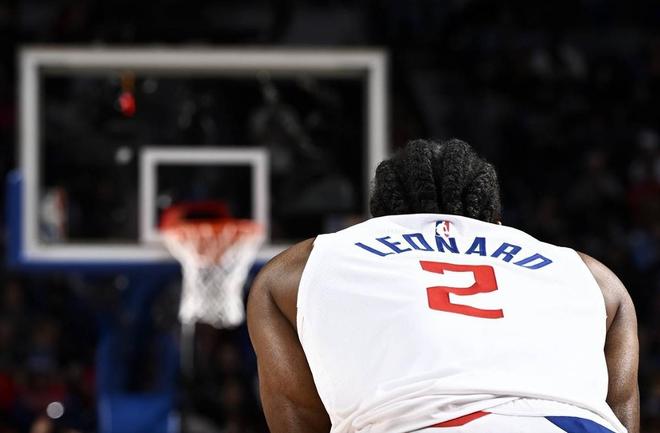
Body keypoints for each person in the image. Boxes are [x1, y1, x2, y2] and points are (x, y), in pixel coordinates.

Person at [247, 139, 639, 433]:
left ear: (379, 221)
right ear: (496, 222)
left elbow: (301, 417)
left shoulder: (306, 264)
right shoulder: (593, 275)